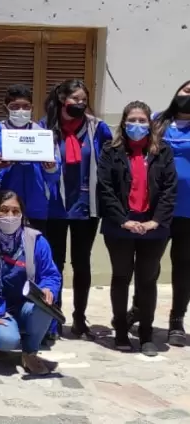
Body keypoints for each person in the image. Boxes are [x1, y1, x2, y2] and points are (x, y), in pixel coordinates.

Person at [96, 101, 176, 355]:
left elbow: (169, 189)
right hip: (120, 226)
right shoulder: (110, 150)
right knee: (121, 277)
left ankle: (146, 334)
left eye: (142, 120)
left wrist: (155, 221)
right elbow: (105, 188)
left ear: (150, 124)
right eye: (132, 120)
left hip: (153, 227)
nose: (137, 125)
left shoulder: (163, 151)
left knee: (147, 280)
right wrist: (123, 220)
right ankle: (121, 330)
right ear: (124, 122)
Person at [41, 79, 113, 340]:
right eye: (75, 99)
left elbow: (110, 158)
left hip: (86, 205)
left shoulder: (97, 128)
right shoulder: (45, 128)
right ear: (62, 99)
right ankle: (54, 316)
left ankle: (80, 318)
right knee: (55, 263)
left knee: (81, 262)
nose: (80, 104)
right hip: (54, 205)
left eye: (84, 100)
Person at [0, 189, 61, 375]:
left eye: (15, 211)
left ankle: (30, 353)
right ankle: (1, 335)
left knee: (46, 306)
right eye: (4, 210)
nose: (10, 216)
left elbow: (51, 274)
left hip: (27, 305)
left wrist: (48, 288)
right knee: (6, 341)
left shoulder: (36, 241)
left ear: (22, 214)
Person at [0, 83, 59, 234]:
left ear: (32, 108)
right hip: (3, 209)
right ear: (5, 108)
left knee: (34, 247)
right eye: (15, 107)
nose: (21, 111)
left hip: (36, 209)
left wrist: (51, 168)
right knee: (1, 248)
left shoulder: (42, 136)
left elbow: (54, 177)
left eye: (26, 106)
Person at [156, 80, 190, 346]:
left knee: (183, 266)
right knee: (148, 263)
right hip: (158, 207)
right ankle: (139, 308)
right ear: (177, 91)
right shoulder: (158, 122)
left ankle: (177, 319)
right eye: (187, 90)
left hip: (188, 210)